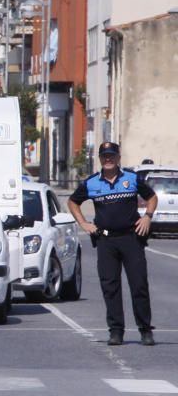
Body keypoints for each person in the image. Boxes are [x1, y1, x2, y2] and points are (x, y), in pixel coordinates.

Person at [68, 141, 157, 346]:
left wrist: (147, 217)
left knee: (139, 284)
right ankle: (116, 331)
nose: (108, 159)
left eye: (111, 156)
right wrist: (83, 223)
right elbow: (73, 202)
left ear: (118, 158)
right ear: (100, 159)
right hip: (106, 240)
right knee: (110, 286)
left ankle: (145, 330)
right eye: (104, 156)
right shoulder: (91, 183)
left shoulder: (131, 178)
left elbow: (151, 197)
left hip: (131, 238)